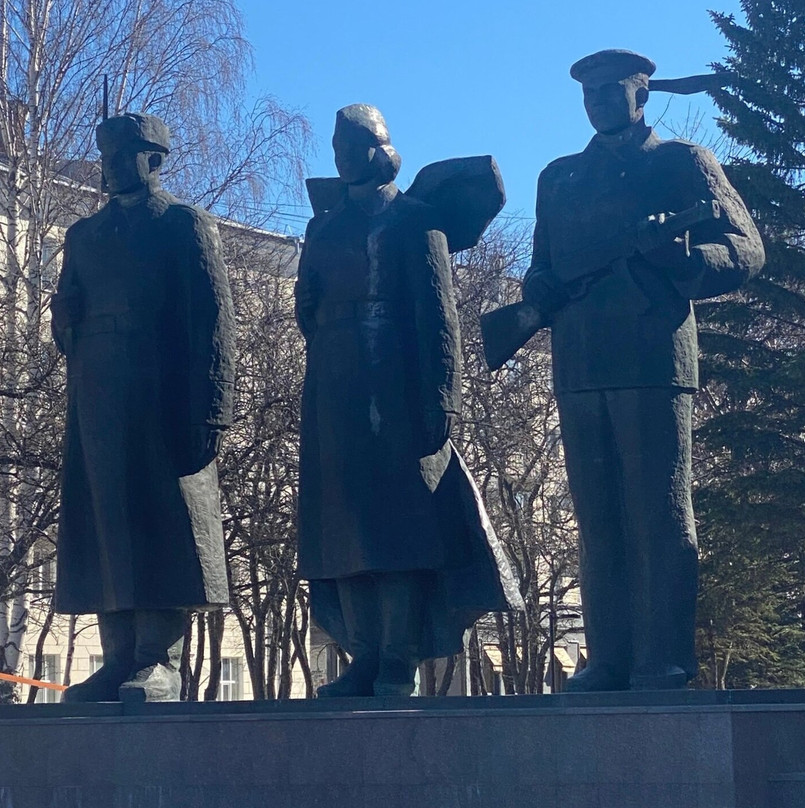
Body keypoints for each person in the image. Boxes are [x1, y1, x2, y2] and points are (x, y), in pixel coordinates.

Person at [521, 50, 764, 691]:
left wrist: (684, 259)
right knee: (597, 519)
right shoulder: (560, 178)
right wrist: (539, 289)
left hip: (654, 359)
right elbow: (542, 265)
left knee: (659, 513)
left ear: (642, 95)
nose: (597, 99)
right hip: (579, 364)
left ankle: (664, 660)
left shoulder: (682, 164)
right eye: (588, 92)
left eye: (610, 89)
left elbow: (746, 248)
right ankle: (609, 660)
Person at [295, 104, 519, 697]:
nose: (341, 156)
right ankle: (364, 654)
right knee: (342, 524)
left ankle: (398, 655)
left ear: (378, 148)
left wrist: (445, 396)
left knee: (397, 526)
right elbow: (306, 311)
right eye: (336, 146)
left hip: (395, 379)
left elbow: (439, 318)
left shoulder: (416, 222)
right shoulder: (324, 227)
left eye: (352, 145)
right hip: (334, 385)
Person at [50, 112, 236, 703]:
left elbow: (213, 322)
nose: (107, 164)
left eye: (120, 153)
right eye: (103, 153)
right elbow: (67, 330)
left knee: (163, 521)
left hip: (162, 393)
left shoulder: (184, 225)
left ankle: (159, 659)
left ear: (153, 158)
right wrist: (66, 316)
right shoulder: (84, 235)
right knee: (107, 521)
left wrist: (213, 408)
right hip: (99, 396)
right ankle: (118, 657)